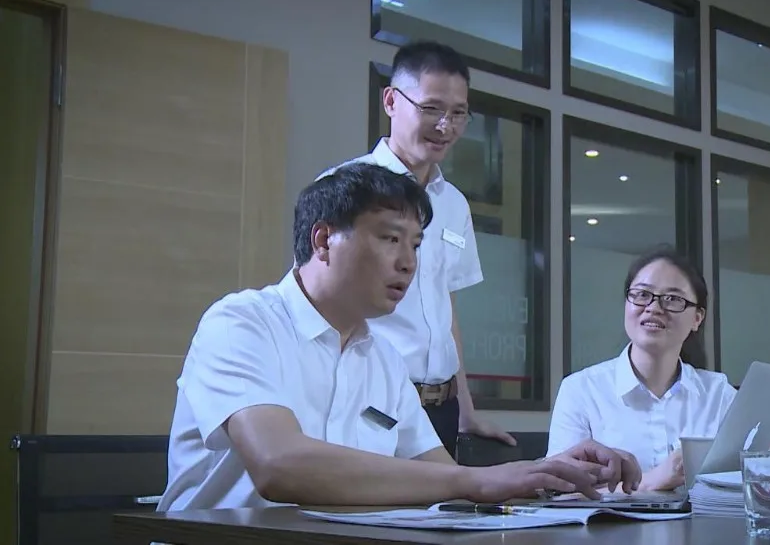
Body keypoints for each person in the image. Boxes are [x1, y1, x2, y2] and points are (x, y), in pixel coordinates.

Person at [157, 163, 641, 511]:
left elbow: (441, 478)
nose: (409, 263)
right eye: (390, 239)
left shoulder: (384, 359)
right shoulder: (242, 323)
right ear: (323, 241)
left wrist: (550, 472)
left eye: (415, 244)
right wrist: (477, 481)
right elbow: (279, 465)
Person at [316, 40, 512, 457]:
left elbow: (444, 308)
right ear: (391, 101)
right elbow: (319, 301)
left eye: (458, 113)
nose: (445, 126)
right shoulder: (345, 189)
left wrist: (466, 410)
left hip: (442, 406)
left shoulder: (454, 203)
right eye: (431, 108)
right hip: (371, 398)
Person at [547, 245, 770, 492]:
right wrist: (650, 482)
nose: (654, 307)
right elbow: (559, 491)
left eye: (673, 299)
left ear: (697, 318)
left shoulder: (717, 393)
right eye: (642, 294)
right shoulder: (581, 390)